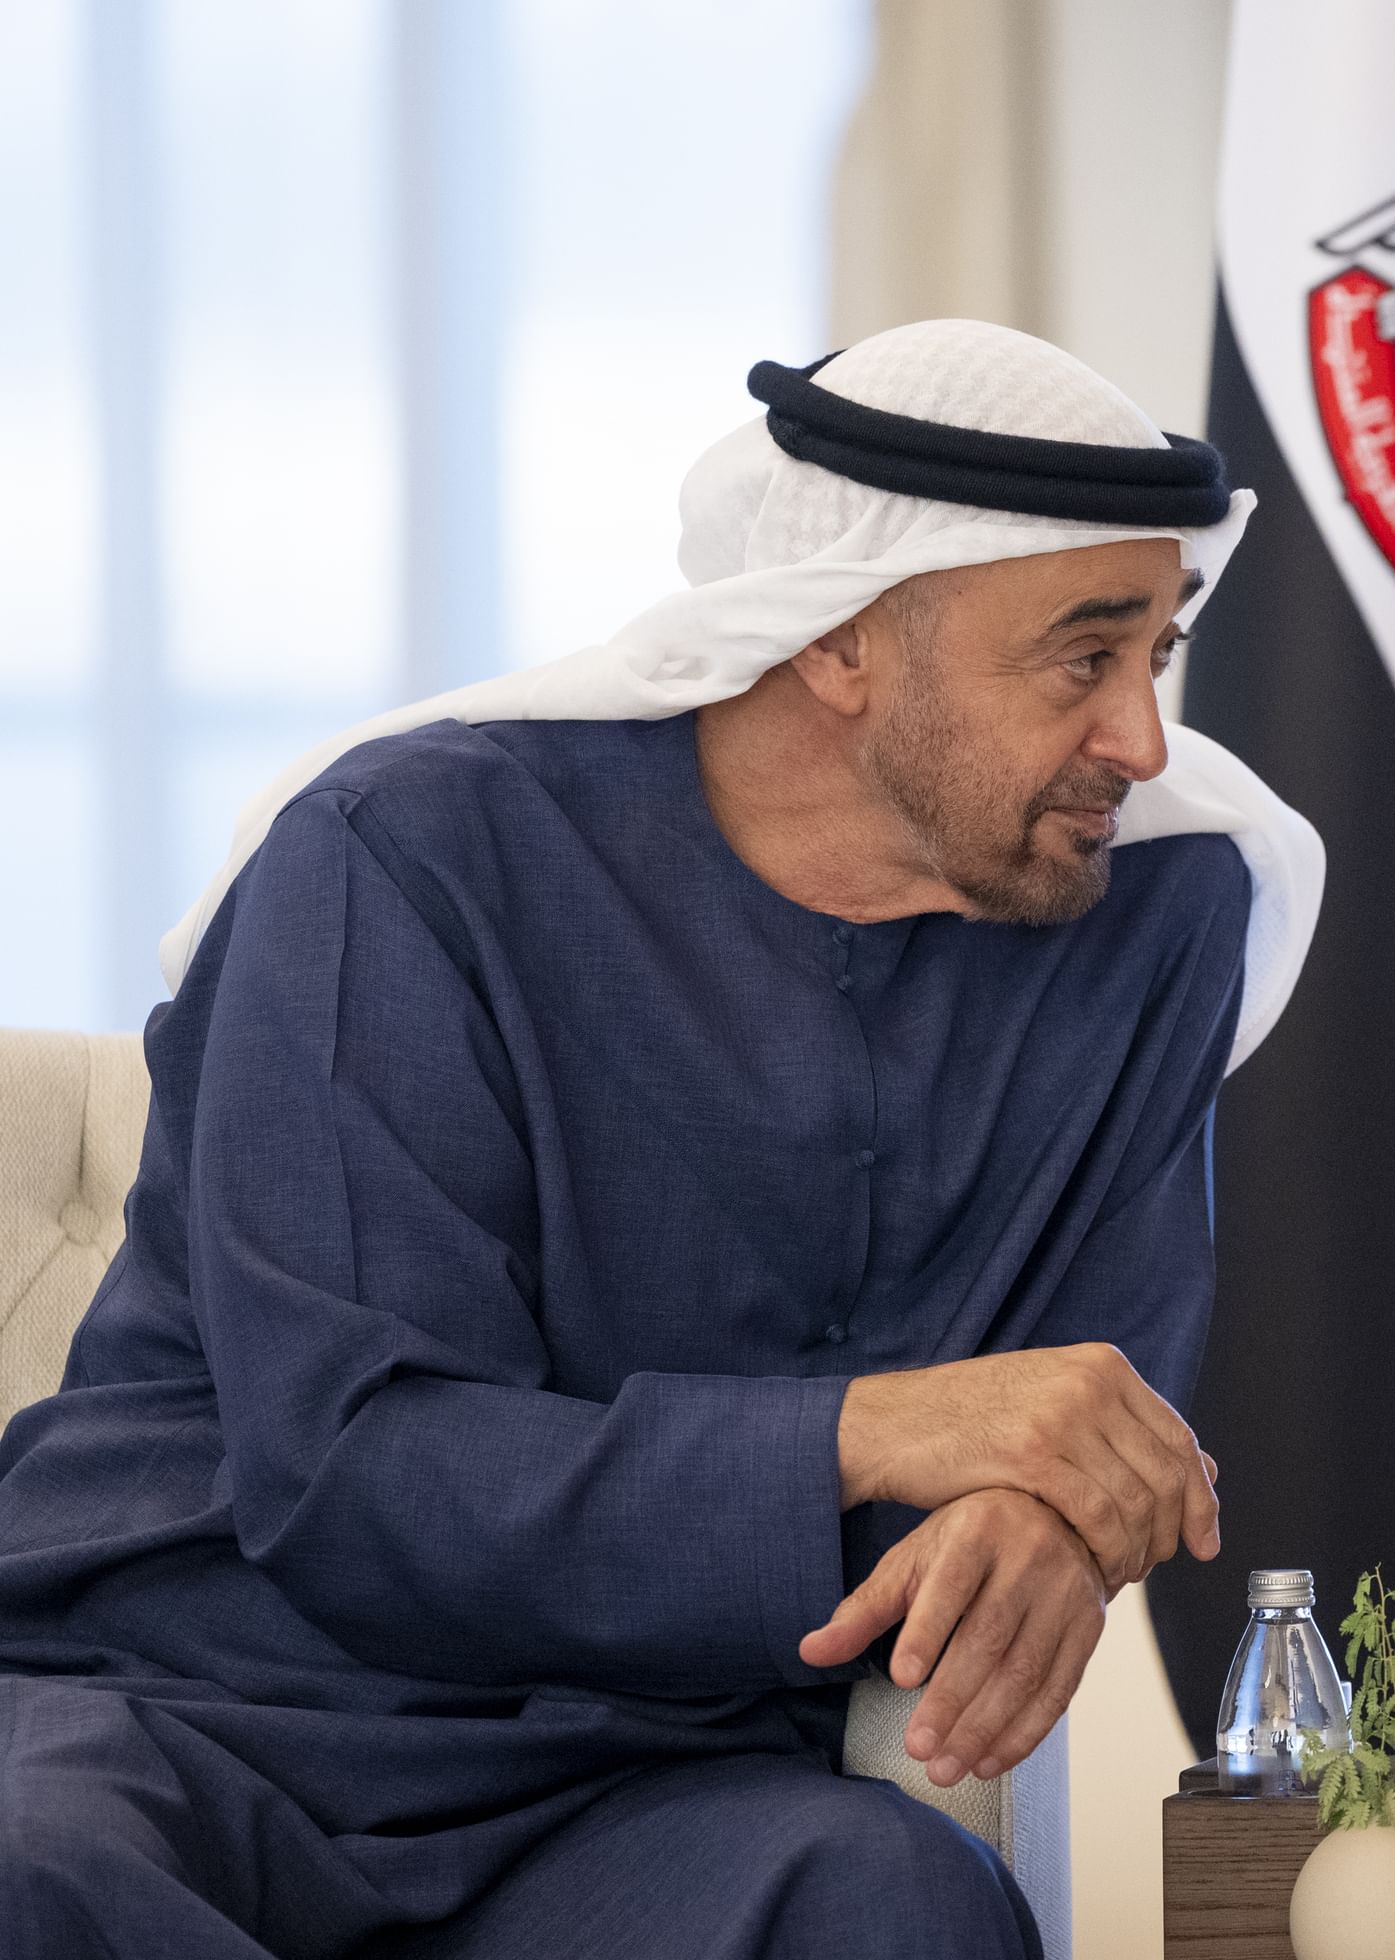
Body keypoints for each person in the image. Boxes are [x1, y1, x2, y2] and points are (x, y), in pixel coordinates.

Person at [0, 320, 1323, 1958]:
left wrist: (1053, 1518)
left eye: (1158, 653)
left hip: (646, 1777)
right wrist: (880, 1433)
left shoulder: (1152, 921)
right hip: (190, 1711)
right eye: (1082, 660)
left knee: (887, 1904)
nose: (1142, 739)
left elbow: (1099, 1403)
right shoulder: (400, 860)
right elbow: (359, 1479)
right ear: (841, 642)